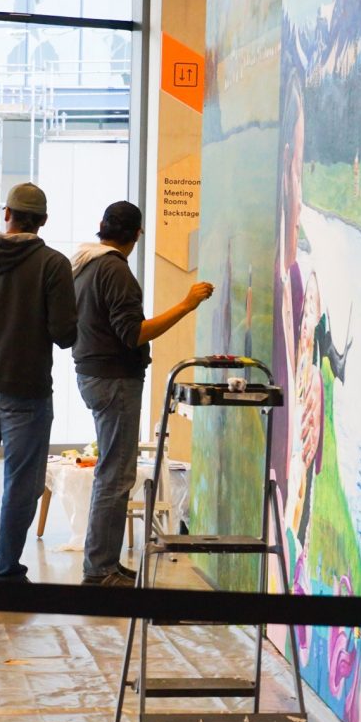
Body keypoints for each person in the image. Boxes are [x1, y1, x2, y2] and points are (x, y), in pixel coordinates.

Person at [72, 200, 213, 586]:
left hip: (93, 375)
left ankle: (105, 564)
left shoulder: (84, 263)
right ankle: (100, 570)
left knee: (113, 473)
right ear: (136, 234)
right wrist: (187, 304)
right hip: (115, 380)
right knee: (116, 477)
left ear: (102, 226)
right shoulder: (114, 270)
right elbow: (134, 333)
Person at [0, 182, 77, 584]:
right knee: (21, 485)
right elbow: (64, 334)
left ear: (7, 213)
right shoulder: (53, 264)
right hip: (26, 390)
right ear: (42, 221)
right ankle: (5, 571)